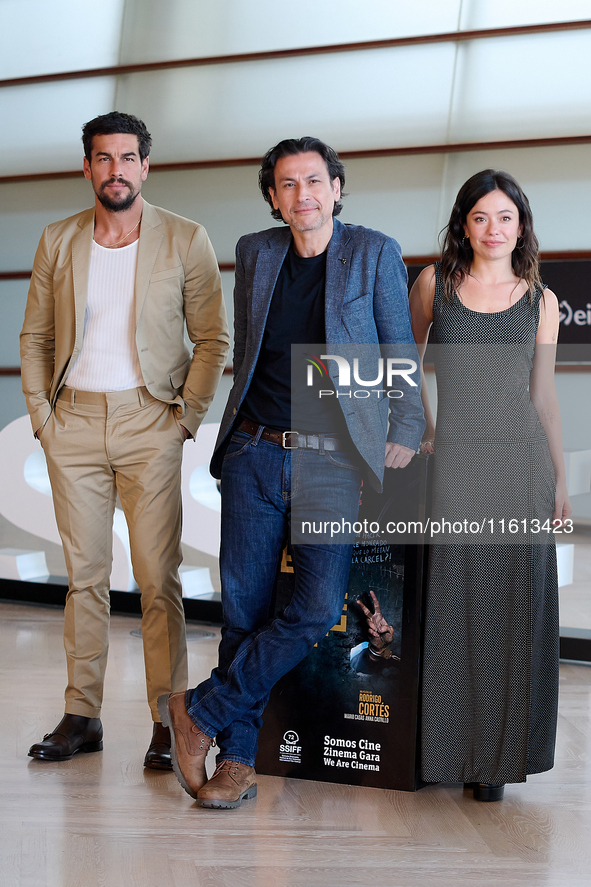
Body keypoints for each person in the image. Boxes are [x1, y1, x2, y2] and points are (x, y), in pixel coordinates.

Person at [158, 136, 425, 808]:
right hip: (254, 449)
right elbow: (249, 352)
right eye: (287, 184)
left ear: (336, 187)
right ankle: (236, 762)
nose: (301, 194)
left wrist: (406, 426)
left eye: (313, 180)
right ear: (273, 197)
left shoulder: (373, 253)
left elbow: (398, 348)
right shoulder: (257, 252)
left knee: (311, 607)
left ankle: (199, 709)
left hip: (329, 461)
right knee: (243, 613)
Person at [20, 112, 229, 769]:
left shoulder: (185, 239)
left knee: (157, 578)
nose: (115, 169)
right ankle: (82, 715)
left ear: (145, 166)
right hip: (72, 424)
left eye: (127, 157)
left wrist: (184, 418)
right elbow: (34, 338)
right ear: (87, 167)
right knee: (84, 578)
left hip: (151, 425)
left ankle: (170, 720)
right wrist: (42, 419)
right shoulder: (58, 240)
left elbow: (212, 339)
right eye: (103, 158)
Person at [409, 169, 571, 802]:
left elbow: (545, 397)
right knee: (450, 605)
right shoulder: (434, 284)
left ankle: (494, 762)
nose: (494, 229)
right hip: (454, 462)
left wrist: (559, 481)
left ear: (521, 226)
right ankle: (437, 750)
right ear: (464, 224)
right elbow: (404, 361)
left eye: (506, 217)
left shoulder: (541, 299)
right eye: (481, 217)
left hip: (520, 466)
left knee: (509, 613)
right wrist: (423, 427)